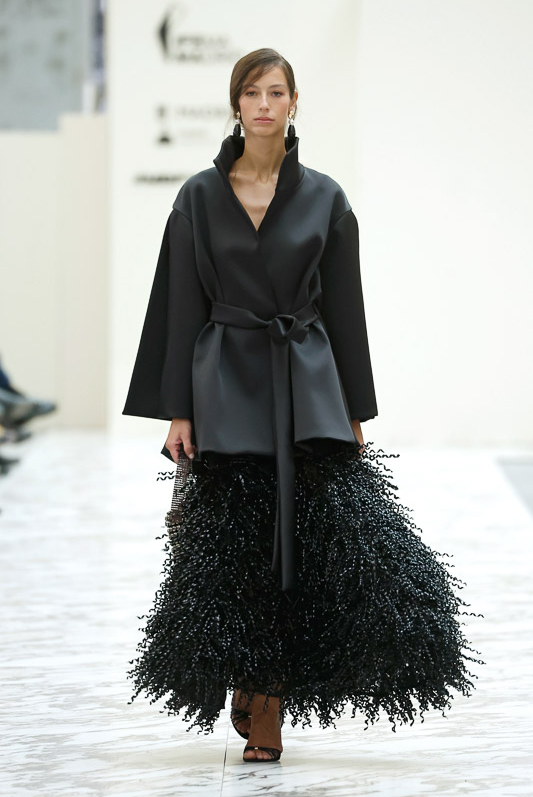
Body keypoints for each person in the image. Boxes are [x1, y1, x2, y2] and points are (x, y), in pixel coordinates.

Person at [122, 48, 484, 763]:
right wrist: (178, 411)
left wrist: (353, 409)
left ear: (293, 103)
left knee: (309, 548)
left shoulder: (325, 197)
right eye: (251, 92)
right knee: (235, 548)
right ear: (235, 104)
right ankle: (248, 676)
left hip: (306, 378)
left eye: (276, 92)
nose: (264, 104)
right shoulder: (198, 196)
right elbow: (179, 303)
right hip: (226, 379)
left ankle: (269, 708)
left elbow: (346, 309)